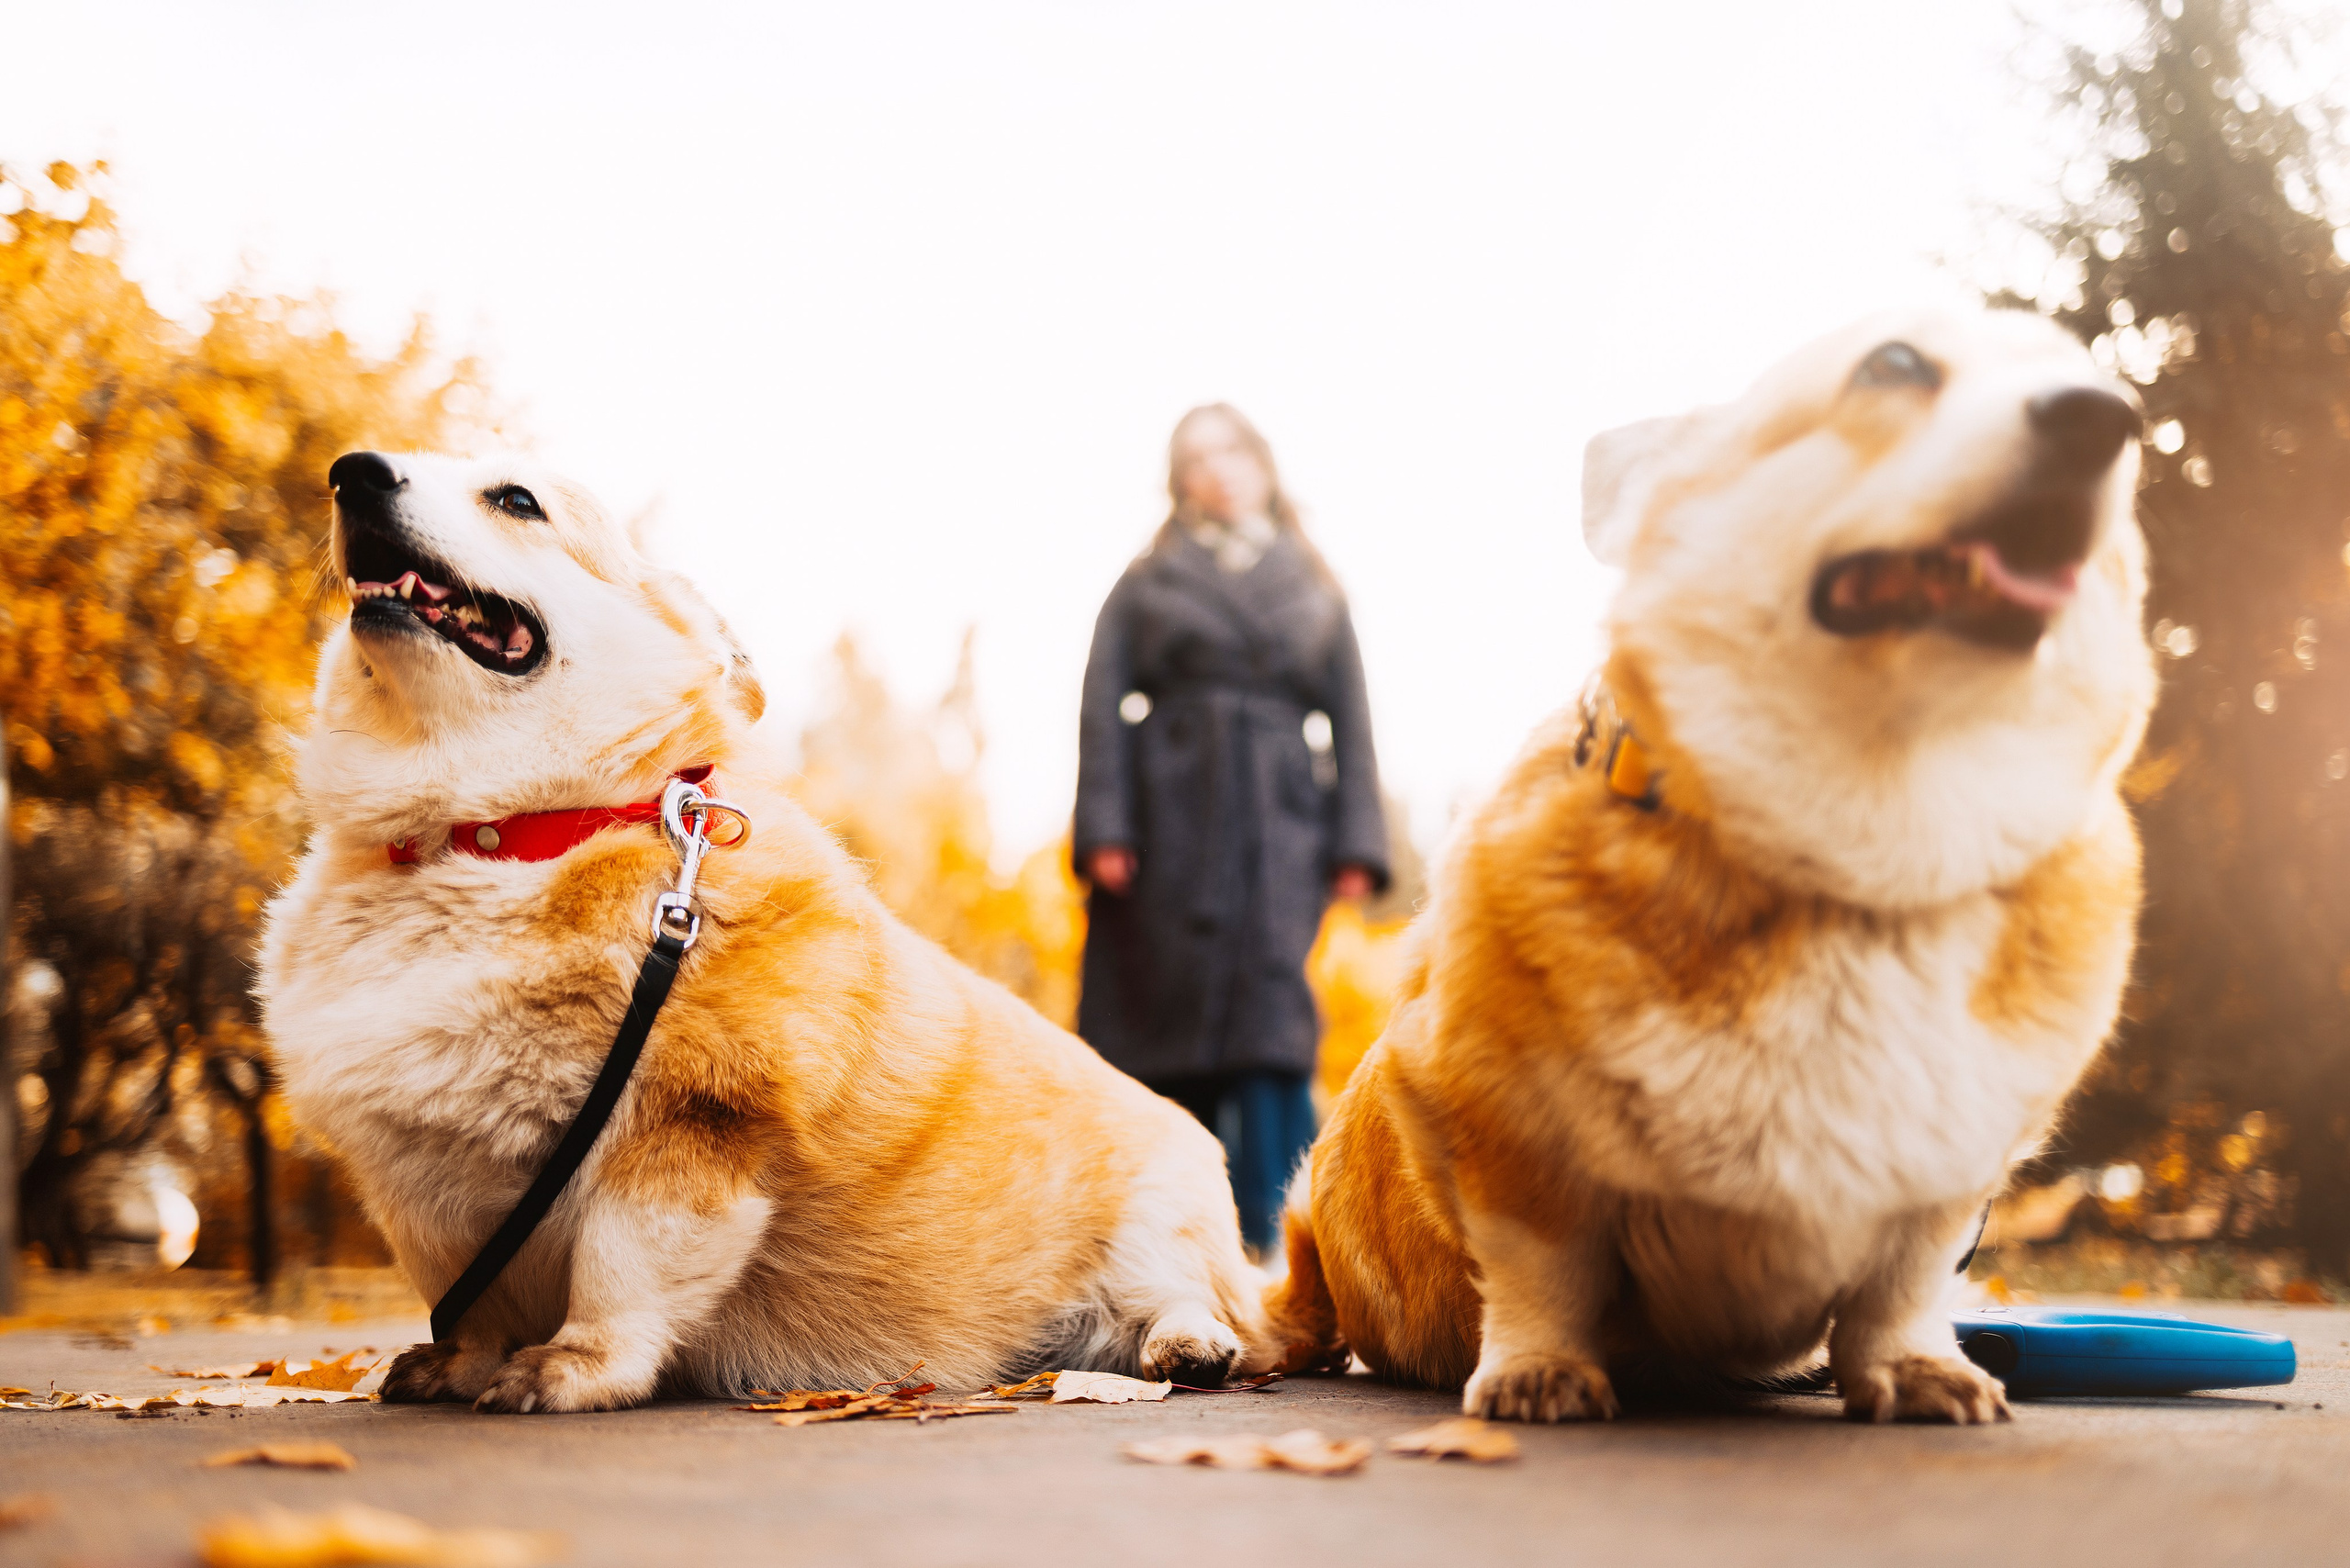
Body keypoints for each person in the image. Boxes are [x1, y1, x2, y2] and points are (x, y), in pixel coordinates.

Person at [1072, 403, 1389, 1253]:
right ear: (1180, 483)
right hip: (1170, 810)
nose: (1217, 470)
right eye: (1197, 459)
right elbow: (1103, 699)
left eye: (1232, 452)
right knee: (1163, 1015)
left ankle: (1290, 1244)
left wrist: (1358, 839)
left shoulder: (1315, 583)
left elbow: (1352, 716)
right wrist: (1105, 824)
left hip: (1281, 825)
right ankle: (1172, 1237)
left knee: (1273, 1019)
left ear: (1263, 464)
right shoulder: (1149, 579)